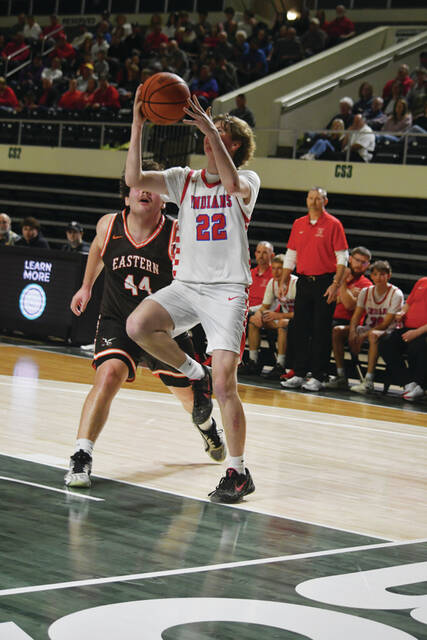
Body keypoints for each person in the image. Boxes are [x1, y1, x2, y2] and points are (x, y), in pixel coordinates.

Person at [125, 89, 260, 504]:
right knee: (138, 325)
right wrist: (138, 123)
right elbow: (133, 180)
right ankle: (191, 372)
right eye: (207, 130)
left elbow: (232, 180)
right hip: (187, 285)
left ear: (233, 144)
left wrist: (209, 128)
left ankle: (237, 471)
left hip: (227, 292)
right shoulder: (184, 179)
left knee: (226, 385)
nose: (207, 135)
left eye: (218, 132)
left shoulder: (248, 181)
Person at [64, 160, 226, 488]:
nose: (145, 191)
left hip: (161, 329)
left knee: (189, 401)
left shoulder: (177, 233)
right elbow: (97, 250)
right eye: (139, 186)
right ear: (127, 197)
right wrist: (86, 286)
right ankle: (82, 454)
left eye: (154, 187)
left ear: (164, 198)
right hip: (117, 321)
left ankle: (207, 426)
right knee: (108, 376)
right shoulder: (109, 225)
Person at [280, 187, 348, 392]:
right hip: (303, 281)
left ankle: (318, 375)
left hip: (325, 282)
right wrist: (284, 280)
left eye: (318, 199)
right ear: (307, 200)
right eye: (311, 198)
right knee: (299, 328)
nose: (314, 202)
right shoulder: (298, 224)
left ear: (325, 201)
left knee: (320, 330)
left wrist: (335, 284)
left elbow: (342, 256)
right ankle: (299, 373)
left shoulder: (334, 224)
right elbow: (291, 254)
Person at [349, 260, 404, 394]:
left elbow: (386, 324)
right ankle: (340, 376)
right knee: (337, 331)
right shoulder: (365, 292)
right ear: (371, 276)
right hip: (370, 327)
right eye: (375, 274)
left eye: (382, 274)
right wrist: (352, 332)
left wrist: (363, 335)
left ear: (388, 276)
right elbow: (356, 316)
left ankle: (368, 380)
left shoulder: (396, 294)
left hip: (390, 330)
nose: (379, 277)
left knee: (373, 335)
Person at [324, 246, 372, 390]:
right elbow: (328, 299)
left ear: (368, 265)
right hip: (331, 318)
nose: (359, 264)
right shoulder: (335, 278)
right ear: (350, 259)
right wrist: (344, 295)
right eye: (357, 260)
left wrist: (343, 283)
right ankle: (313, 371)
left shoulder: (366, 284)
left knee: (335, 330)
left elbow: (349, 305)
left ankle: (341, 376)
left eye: (364, 262)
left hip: (352, 324)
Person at [244, 255, 297, 379]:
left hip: (299, 320)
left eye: (280, 268)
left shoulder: (295, 283)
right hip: (284, 319)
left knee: (283, 323)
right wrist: (258, 314)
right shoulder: (272, 283)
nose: (276, 272)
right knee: (253, 321)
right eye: (273, 268)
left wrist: (278, 315)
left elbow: (302, 313)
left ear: (286, 270)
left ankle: (280, 365)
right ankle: (253, 362)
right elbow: (265, 306)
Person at [379, 276, 427, 402]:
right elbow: (409, 303)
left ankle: (420, 385)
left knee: (417, 347)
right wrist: (402, 313)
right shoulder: (421, 282)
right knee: (386, 343)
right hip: (408, 328)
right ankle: (407, 383)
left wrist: (416, 332)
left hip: (423, 331)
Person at [248, 241, 274, 314]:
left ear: (272, 255)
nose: (261, 255)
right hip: (245, 312)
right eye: (258, 252)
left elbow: (273, 304)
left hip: (264, 313)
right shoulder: (249, 273)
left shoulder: (275, 275)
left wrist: (250, 310)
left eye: (265, 253)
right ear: (255, 254)